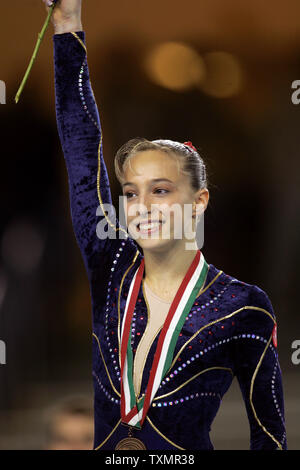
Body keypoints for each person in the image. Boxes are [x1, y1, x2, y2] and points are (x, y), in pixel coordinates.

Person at [43, 0, 287, 450]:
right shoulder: (110, 264)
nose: (141, 206)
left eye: (160, 190)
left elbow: (268, 435)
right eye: (131, 193)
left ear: (199, 201)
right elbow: (81, 145)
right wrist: (67, 26)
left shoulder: (242, 306)